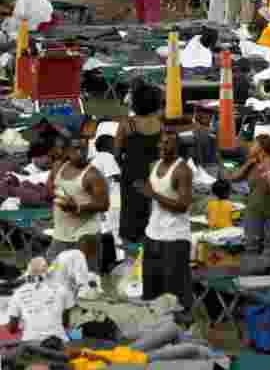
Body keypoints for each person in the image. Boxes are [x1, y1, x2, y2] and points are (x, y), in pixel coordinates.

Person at [141, 130, 193, 309]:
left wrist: (154, 195)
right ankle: (157, 325)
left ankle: (182, 327)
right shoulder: (154, 166)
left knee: (175, 293)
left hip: (174, 238)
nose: (161, 146)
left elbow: (183, 205)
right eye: (160, 143)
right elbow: (150, 196)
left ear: (176, 146)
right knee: (151, 289)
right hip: (153, 235)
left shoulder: (182, 170)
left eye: (167, 143)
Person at [47, 137, 108, 268]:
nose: (81, 153)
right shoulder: (58, 166)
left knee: (86, 278)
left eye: (84, 149)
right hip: (61, 233)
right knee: (54, 276)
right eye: (76, 148)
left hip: (86, 234)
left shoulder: (93, 175)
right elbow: (50, 186)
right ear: (67, 150)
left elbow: (104, 204)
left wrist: (77, 206)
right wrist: (58, 197)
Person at [115, 84, 163, 244]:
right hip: (155, 171)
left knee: (131, 209)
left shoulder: (127, 124)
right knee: (155, 206)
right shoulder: (162, 123)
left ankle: (131, 242)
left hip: (132, 171)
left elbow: (117, 153)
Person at [227, 135, 270, 254]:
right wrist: (249, 163)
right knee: (251, 248)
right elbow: (234, 178)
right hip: (253, 213)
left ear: (262, 147)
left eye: (254, 144)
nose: (250, 146)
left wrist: (269, 170)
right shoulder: (253, 164)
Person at [7, 257, 75, 344]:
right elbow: (66, 322)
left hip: (31, 343)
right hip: (60, 341)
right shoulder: (63, 289)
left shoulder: (18, 293)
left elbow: (12, 328)